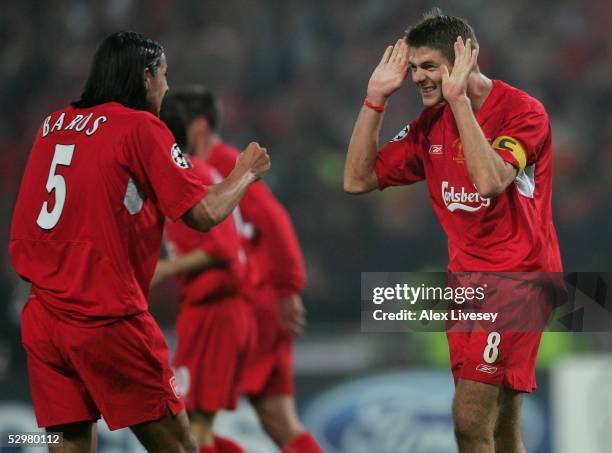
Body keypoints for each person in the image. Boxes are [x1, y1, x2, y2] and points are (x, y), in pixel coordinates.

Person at [9, 31, 270, 453]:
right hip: (106, 320)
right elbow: (202, 214)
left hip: (43, 317)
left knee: (69, 447)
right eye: (165, 75)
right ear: (146, 76)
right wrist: (245, 173)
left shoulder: (52, 124)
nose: (167, 87)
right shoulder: (142, 127)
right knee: (181, 448)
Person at [343, 8, 562, 453]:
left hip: (518, 280)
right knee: (501, 431)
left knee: (468, 420)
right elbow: (357, 179)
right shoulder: (430, 126)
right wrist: (374, 100)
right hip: (466, 284)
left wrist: (460, 101)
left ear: (464, 61)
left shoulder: (524, 113)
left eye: (429, 66)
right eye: (413, 68)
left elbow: (489, 180)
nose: (418, 78)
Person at [159, 87, 323, 453]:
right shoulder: (211, 167)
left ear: (197, 127)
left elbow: (274, 221)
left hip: (250, 301)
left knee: (193, 423)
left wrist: (287, 288)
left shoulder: (223, 165)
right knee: (277, 421)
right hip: (250, 303)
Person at [152, 108, 254, 453]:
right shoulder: (181, 176)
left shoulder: (193, 172)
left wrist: (167, 269)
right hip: (204, 311)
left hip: (218, 312)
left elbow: (223, 247)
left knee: (196, 426)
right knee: (190, 425)